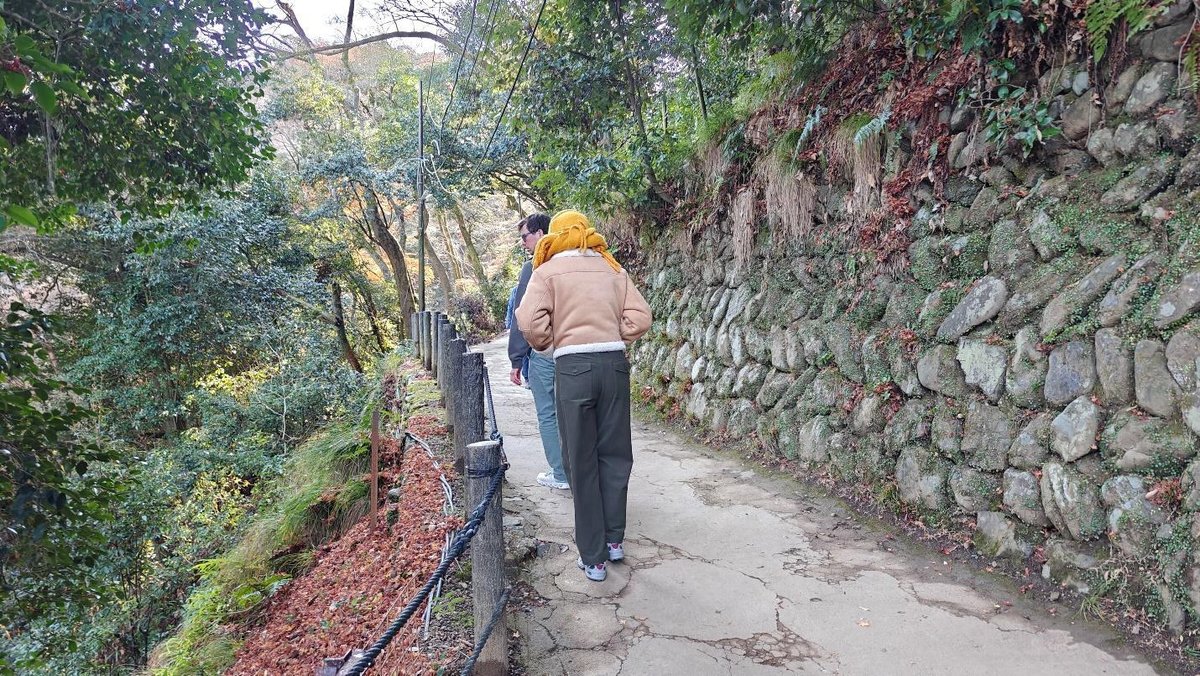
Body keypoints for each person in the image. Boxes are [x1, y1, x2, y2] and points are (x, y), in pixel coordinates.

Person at [515, 210, 652, 582]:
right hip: (613, 365)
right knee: (615, 454)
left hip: (573, 368)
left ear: (554, 236)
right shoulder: (612, 268)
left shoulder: (547, 271)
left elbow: (527, 321)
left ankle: (593, 559)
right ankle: (614, 541)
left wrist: (552, 342)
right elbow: (640, 317)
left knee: (581, 460)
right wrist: (613, 336)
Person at [507, 214, 567, 489]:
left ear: (540, 233)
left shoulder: (535, 267)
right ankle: (584, 470)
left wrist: (517, 359)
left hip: (546, 352)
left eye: (525, 237)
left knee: (548, 413)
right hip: (577, 350)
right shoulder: (574, 261)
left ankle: (561, 474)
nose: (523, 243)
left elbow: (524, 317)